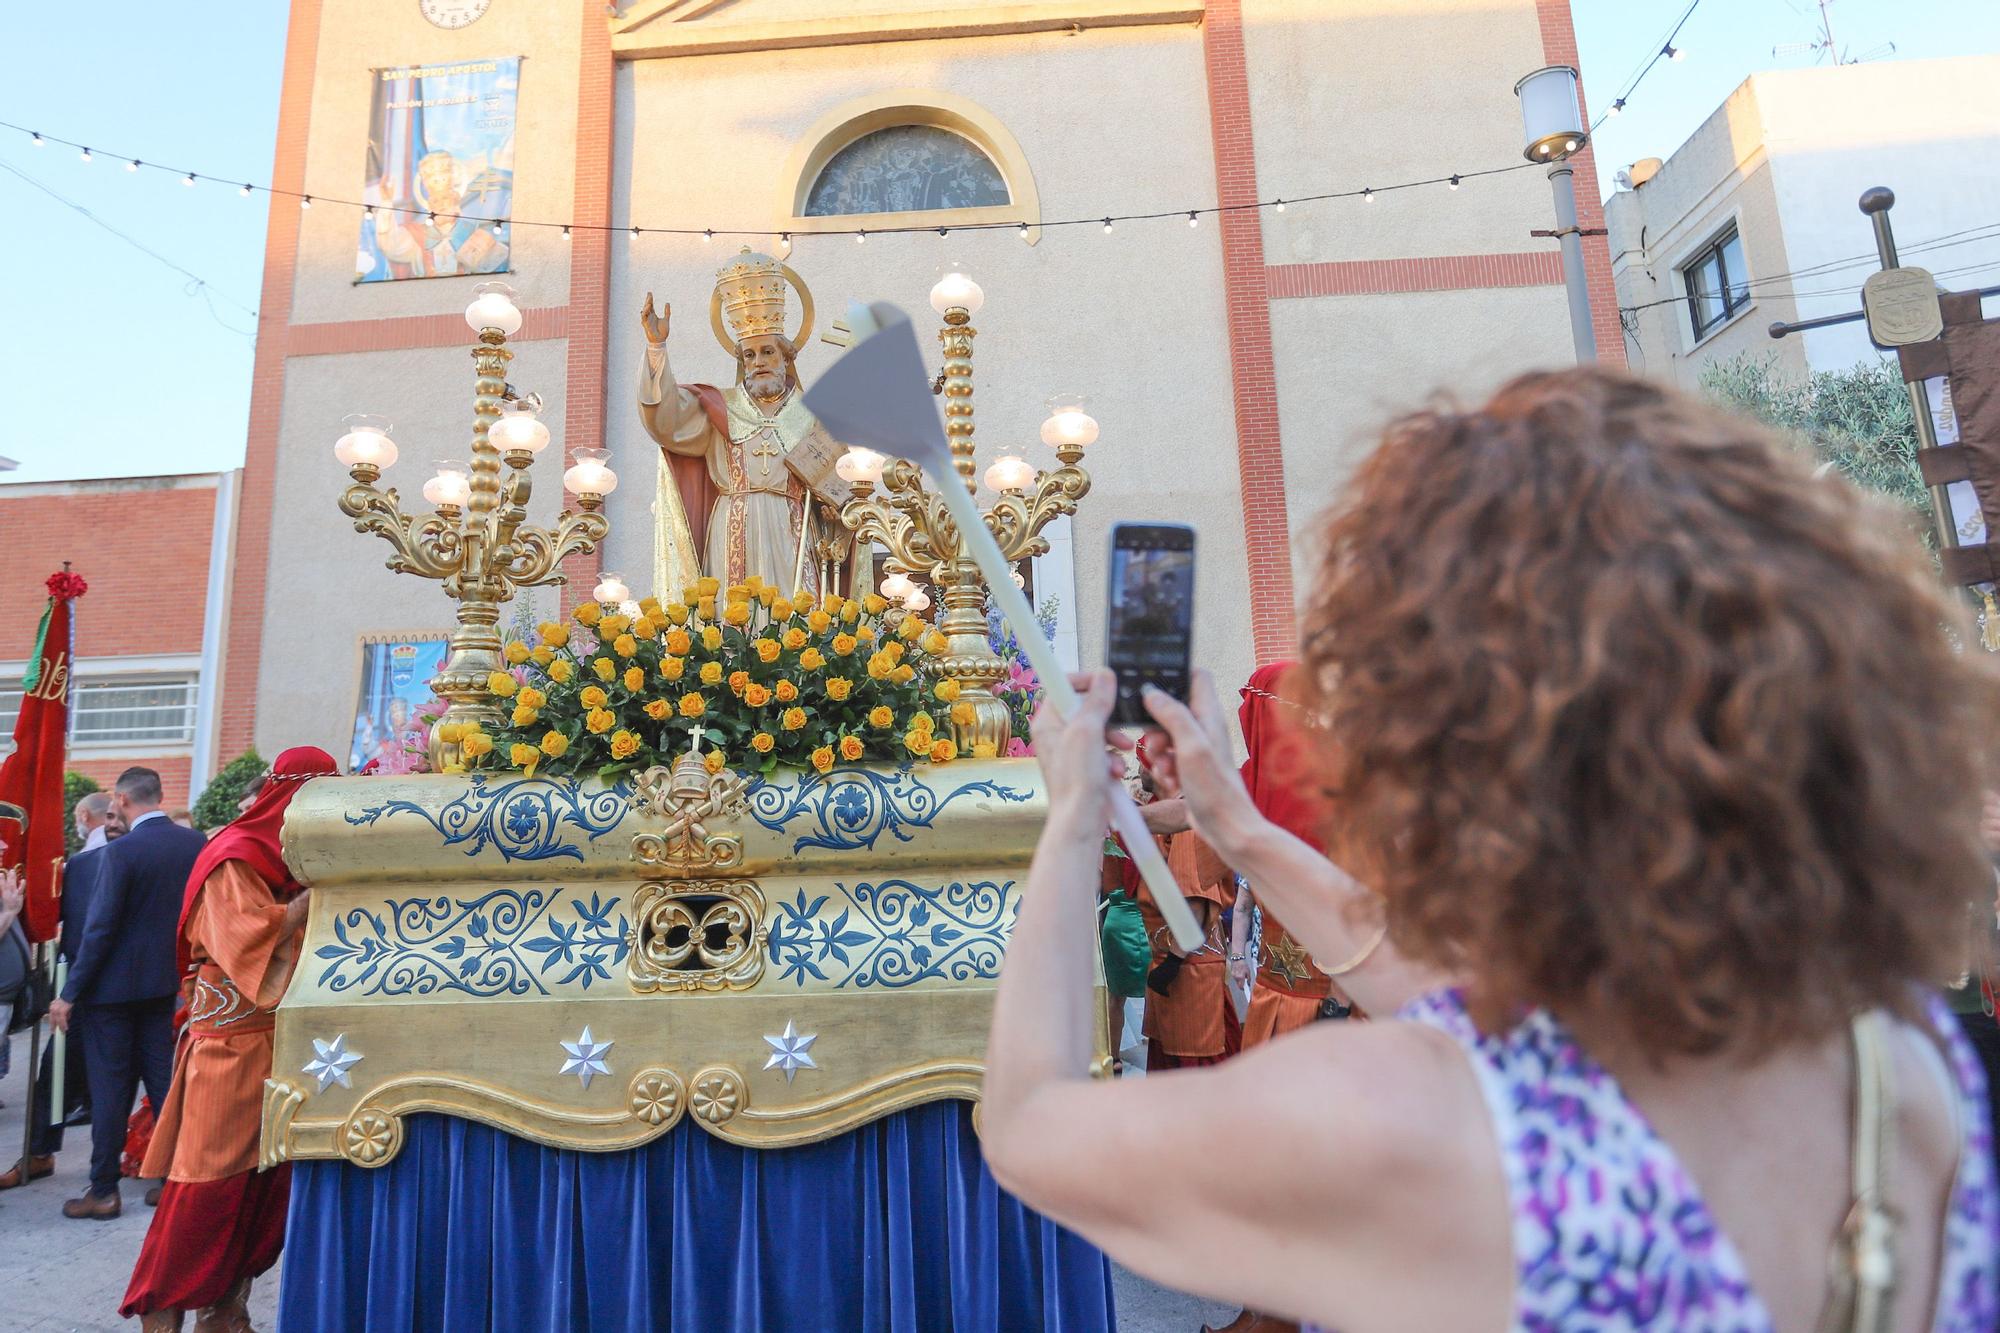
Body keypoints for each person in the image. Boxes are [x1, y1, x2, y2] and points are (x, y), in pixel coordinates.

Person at [982, 369, 2000, 1330]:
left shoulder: (1411, 1121)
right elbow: (1453, 1003)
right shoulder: (1896, 1056)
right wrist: (1237, 830)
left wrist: (1076, 815)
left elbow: (1028, 1128)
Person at [122, 746, 337, 1332]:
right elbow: (245, 943)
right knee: (205, 1189)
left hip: (280, 1048)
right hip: (228, 1049)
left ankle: (227, 1310)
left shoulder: (289, 859)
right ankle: (161, 1311)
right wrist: (308, 905)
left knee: (266, 1192)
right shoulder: (233, 856)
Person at [50, 768, 205, 1221]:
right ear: (160, 796)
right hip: (166, 984)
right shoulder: (195, 845)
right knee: (163, 1083)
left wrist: (69, 993)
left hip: (111, 993)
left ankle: (103, 1189)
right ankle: (174, 1178)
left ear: (120, 799)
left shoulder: (122, 851)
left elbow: (100, 929)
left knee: (111, 1089)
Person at [0, 793, 114, 1190]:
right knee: (57, 1076)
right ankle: (40, 1153)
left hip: (100, 991)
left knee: (104, 1082)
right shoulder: (77, 865)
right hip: (80, 991)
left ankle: (109, 1166)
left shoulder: (109, 860)